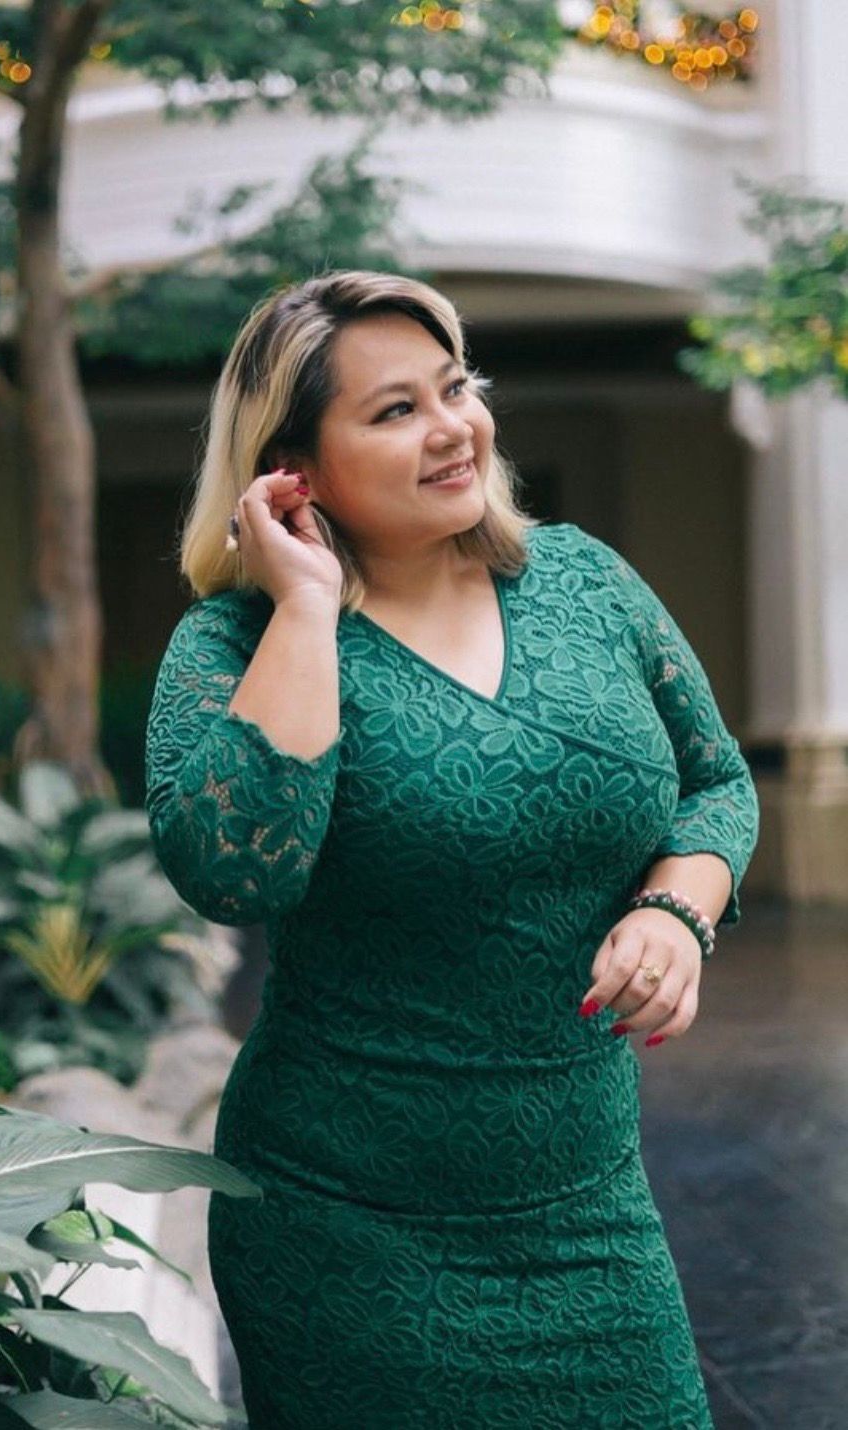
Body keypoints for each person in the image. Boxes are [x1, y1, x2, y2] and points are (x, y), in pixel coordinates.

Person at [144, 270, 759, 1429]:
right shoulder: (231, 643)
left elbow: (717, 779)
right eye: (394, 410)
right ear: (293, 469)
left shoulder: (583, 582)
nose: (453, 427)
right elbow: (235, 873)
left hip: (589, 1209)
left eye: (455, 386)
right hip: (347, 1226)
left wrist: (679, 908)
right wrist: (307, 610)